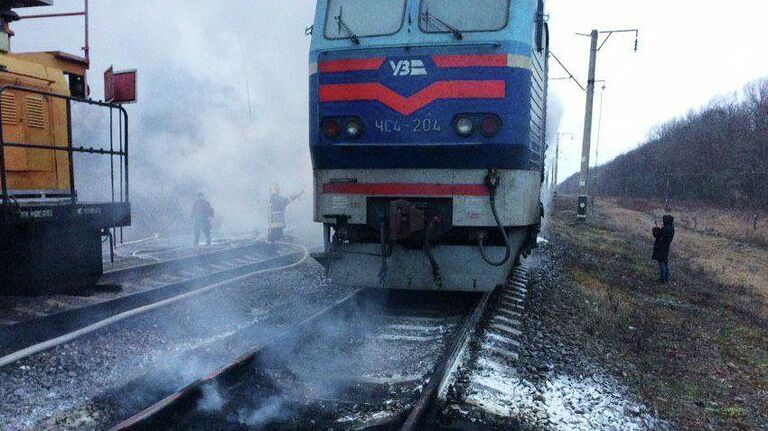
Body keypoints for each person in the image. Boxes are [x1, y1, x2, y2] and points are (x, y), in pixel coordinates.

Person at [652, 215, 675, 283]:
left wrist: (656, 230)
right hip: (666, 247)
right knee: (665, 262)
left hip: (660, 247)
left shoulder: (665, 228)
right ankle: (666, 278)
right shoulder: (671, 228)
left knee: (661, 263)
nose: (663, 221)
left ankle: (662, 279)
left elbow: (658, 236)